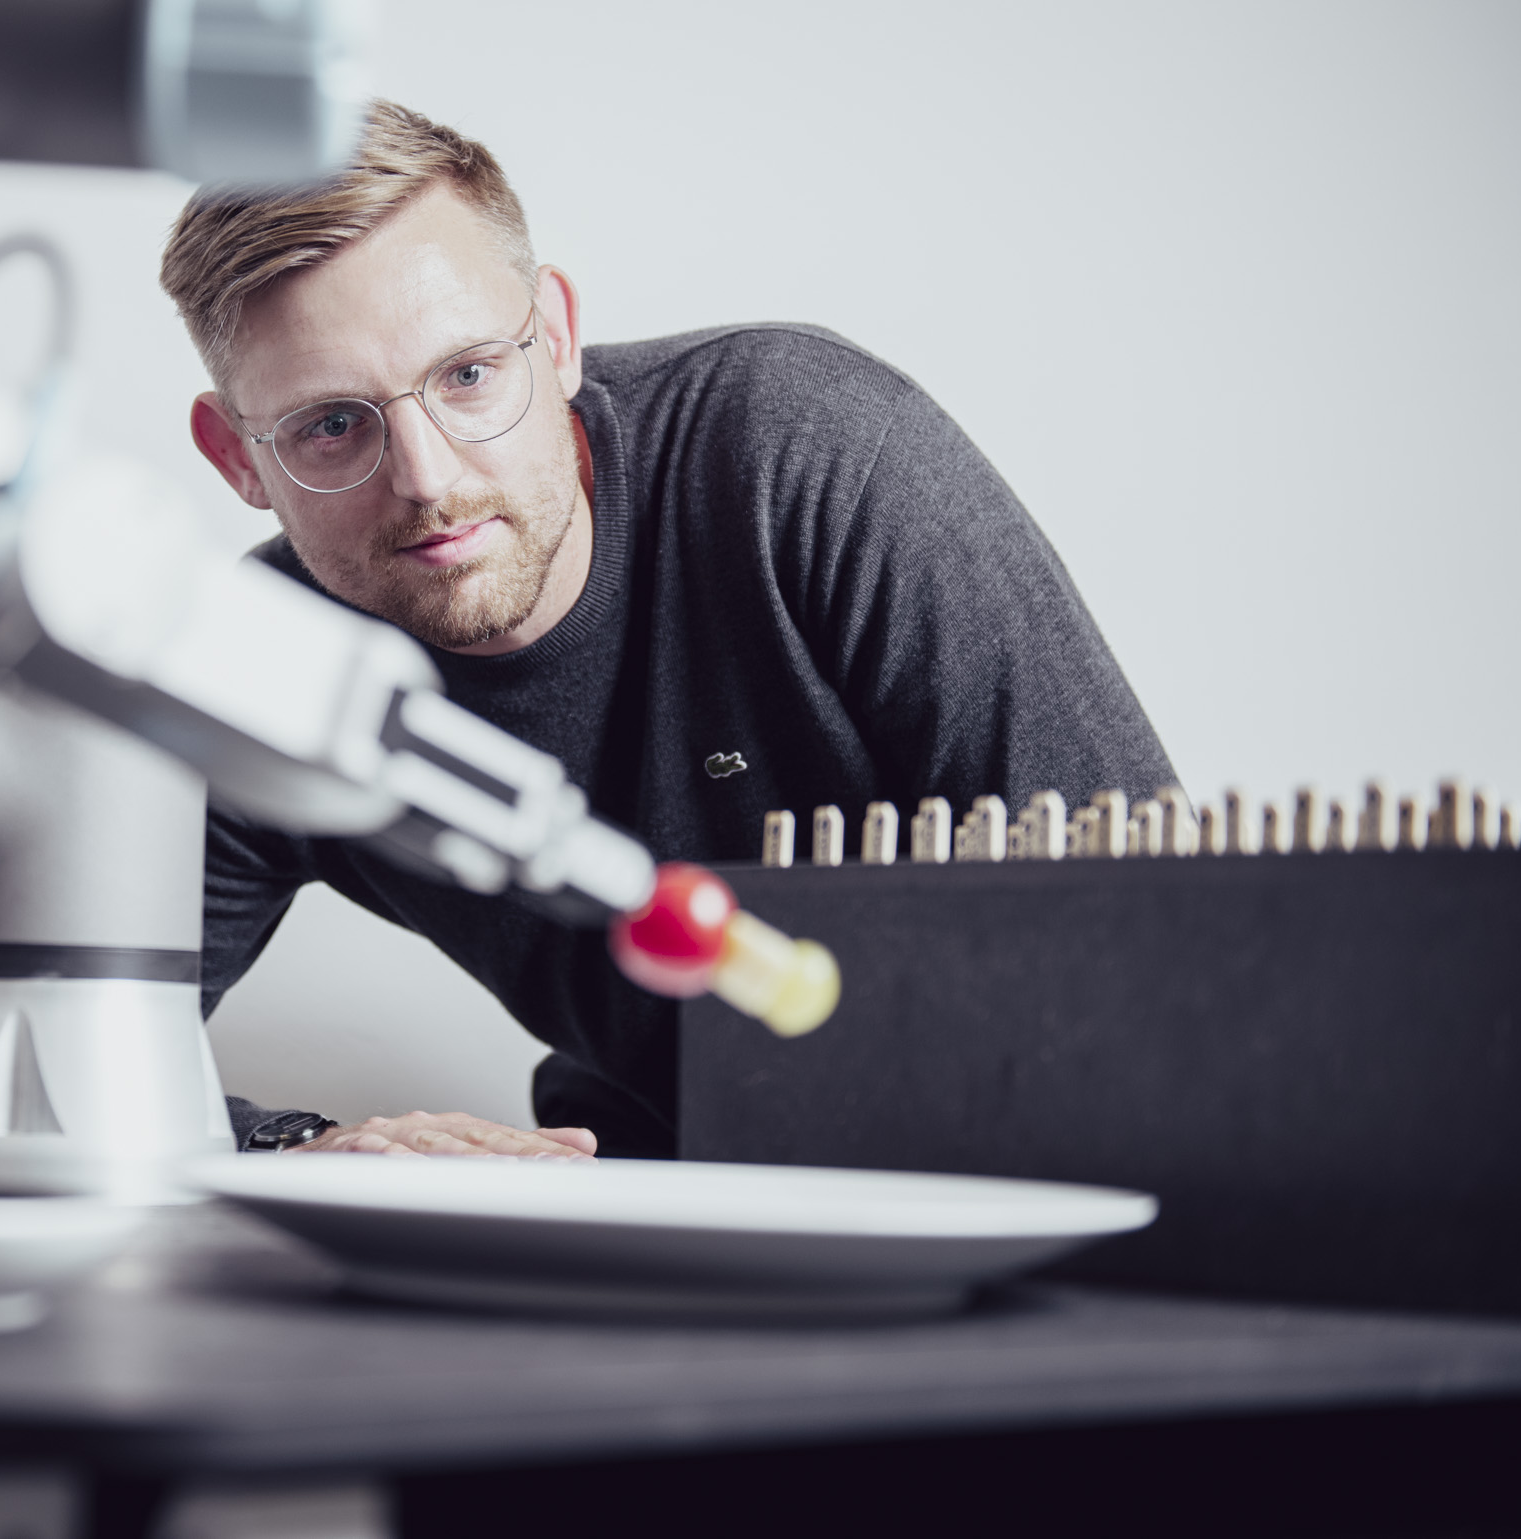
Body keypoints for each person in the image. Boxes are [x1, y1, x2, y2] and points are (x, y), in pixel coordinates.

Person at [165, 102, 1175, 1161]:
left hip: (999, 1184)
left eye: (468, 375)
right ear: (235, 457)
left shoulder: (810, 459)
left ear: (553, 338)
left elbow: (1155, 942)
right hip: (644, 1200)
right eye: (331, 424)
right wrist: (299, 1147)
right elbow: (30, 1066)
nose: (431, 479)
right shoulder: (264, 669)